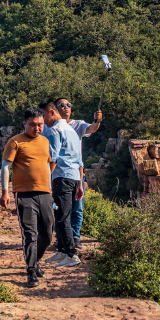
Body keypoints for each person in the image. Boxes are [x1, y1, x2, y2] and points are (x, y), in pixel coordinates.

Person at [0, 108, 54, 288]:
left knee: (47, 234)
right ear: (25, 124)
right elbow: (6, 167)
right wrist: (5, 191)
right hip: (24, 194)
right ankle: (31, 271)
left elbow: (48, 163)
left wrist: (49, 185)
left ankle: (35, 261)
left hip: (45, 193)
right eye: (33, 125)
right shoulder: (15, 142)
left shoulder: (45, 141)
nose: (37, 128)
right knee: (30, 234)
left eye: (40, 125)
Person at [39, 97, 84, 268]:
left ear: (51, 112)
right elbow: (80, 160)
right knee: (61, 214)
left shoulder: (55, 131)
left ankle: (71, 255)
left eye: (43, 116)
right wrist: (80, 184)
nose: (43, 121)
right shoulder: (71, 131)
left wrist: (44, 180)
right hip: (73, 178)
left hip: (62, 178)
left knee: (62, 216)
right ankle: (62, 251)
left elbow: (53, 158)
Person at [55, 97, 102, 246]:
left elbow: (91, 129)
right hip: (59, 172)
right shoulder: (53, 127)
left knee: (78, 208)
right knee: (61, 208)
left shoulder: (78, 124)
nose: (66, 107)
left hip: (77, 172)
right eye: (62, 105)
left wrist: (97, 121)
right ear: (55, 109)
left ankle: (75, 237)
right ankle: (61, 238)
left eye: (68, 104)